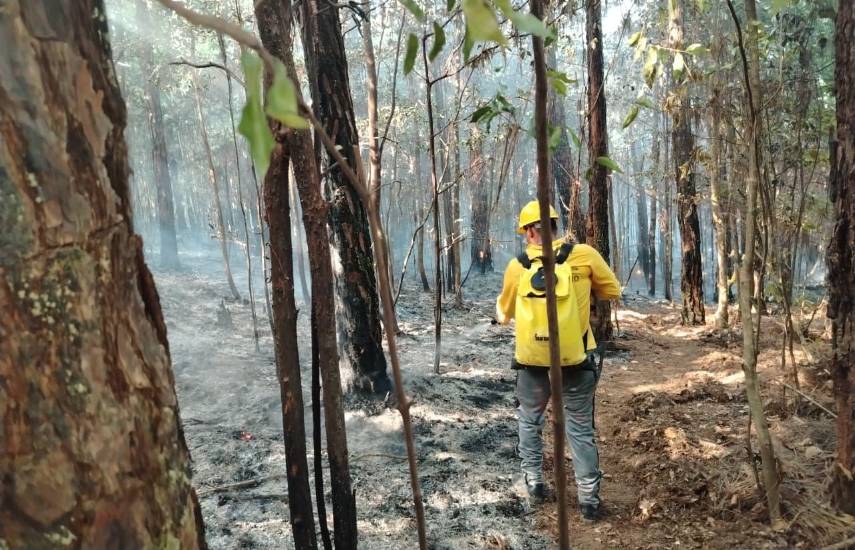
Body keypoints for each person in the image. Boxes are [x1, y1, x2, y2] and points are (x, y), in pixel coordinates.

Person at [495, 200, 620, 522]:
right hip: (576, 361)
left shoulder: (517, 266)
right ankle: (589, 501)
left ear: (528, 231)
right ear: (553, 226)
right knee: (579, 428)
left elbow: (504, 315)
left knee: (529, 420)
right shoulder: (584, 255)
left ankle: (535, 483)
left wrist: (502, 310)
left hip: (531, 364)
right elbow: (612, 291)